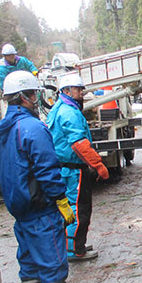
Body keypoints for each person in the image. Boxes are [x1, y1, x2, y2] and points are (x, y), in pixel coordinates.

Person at [0, 71, 75, 283]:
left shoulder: (1, 130)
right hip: (42, 211)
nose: (36, 100)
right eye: (33, 94)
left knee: (29, 268)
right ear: (24, 97)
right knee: (52, 269)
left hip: (20, 211)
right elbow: (47, 171)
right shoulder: (33, 128)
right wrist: (61, 201)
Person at [45, 73, 109, 262]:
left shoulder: (58, 108)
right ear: (66, 91)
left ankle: (72, 244)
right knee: (78, 209)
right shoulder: (69, 113)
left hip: (63, 167)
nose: (82, 92)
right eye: (78, 89)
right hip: (73, 169)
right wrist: (97, 165)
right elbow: (79, 143)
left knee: (68, 208)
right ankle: (75, 250)